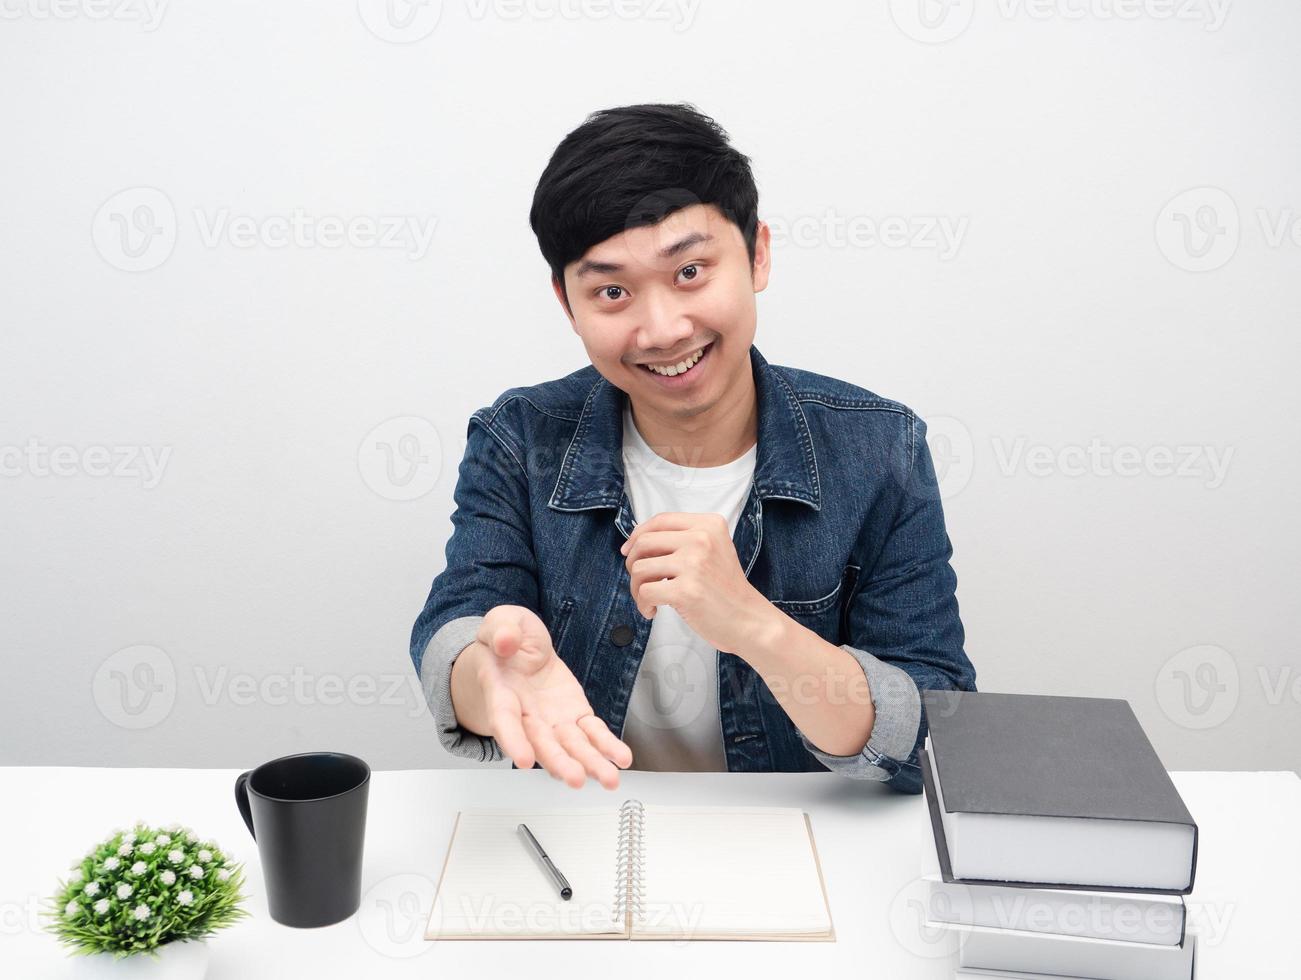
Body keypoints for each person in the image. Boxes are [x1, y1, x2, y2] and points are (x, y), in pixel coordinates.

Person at [410, 103, 976, 794]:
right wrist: (485, 671)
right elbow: (456, 627)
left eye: (689, 273)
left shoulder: (880, 446)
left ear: (757, 253)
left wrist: (753, 627)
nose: (661, 330)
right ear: (567, 304)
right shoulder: (518, 437)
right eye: (612, 291)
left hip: (798, 843)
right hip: (588, 830)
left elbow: (935, 726)